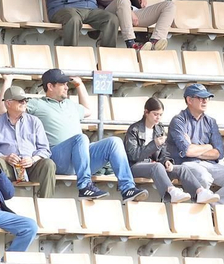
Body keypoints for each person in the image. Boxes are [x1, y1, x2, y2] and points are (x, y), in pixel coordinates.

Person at [15, 69, 145, 201]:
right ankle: (85, 187)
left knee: (115, 141)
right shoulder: (37, 103)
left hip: (81, 157)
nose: (66, 87)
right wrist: (7, 80)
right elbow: (3, 109)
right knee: (81, 138)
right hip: (57, 157)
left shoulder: (70, 104)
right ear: (50, 86)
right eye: (62, 84)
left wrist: (80, 85)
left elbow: (88, 110)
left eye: (67, 84)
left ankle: (128, 188)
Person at [168, 84, 224, 203]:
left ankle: (211, 206)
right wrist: (208, 146)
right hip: (186, 164)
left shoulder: (210, 121)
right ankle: (201, 208)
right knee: (204, 177)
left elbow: (219, 152)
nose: (205, 101)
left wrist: (196, 150)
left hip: (209, 164)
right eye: (201, 98)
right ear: (189, 100)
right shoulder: (178, 120)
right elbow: (187, 151)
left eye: (207, 98)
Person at [0, 85, 56, 197]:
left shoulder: (34, 121)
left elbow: (45, 150)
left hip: (31, 166)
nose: (24, 103)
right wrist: (6, 157)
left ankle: (46, 203)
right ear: (8, 103)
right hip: (7, 167)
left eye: (25, 100)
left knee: (48, 164)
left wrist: (32, 159)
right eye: (20, 100)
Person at [124, 96, 194, 203]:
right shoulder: (134, 129)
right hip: (135, 166)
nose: (158, 117)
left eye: (160, 115)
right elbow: (133, 155)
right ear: (146, 112)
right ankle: (171, 192)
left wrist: (167, 161)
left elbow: (163, 152)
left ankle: (199, 192)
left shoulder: (159, 129)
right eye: (155, 114)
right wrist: (154, 144)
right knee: (156, 166)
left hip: (155, 166)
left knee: (182, 169)